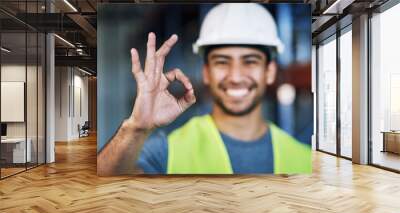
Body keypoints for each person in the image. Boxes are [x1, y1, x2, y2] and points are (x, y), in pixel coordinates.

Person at [97, 3, 312, 175]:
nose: (235, 76)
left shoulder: (304, 157)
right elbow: (104, 194)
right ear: (206, 72)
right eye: (222, 61)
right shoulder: (168, 151)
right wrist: (136, 128)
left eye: (250, 61)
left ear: (270, 71)